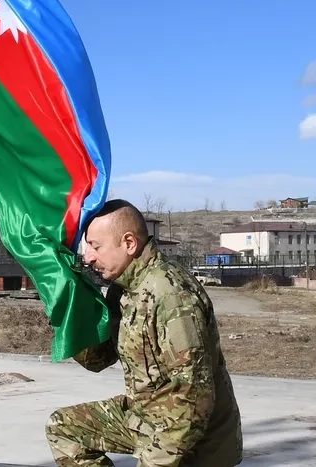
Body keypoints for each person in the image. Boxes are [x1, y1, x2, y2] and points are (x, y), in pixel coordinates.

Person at [46, 199, 242, 467]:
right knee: (64, 428)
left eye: (96, 246)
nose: (89, 257)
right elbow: (99, 359)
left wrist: (155, 461)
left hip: (195, 444)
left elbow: (194, 396)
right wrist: (69, 313)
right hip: (148, 418)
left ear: (128, 243)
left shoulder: (171, 294)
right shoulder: (125, 288)